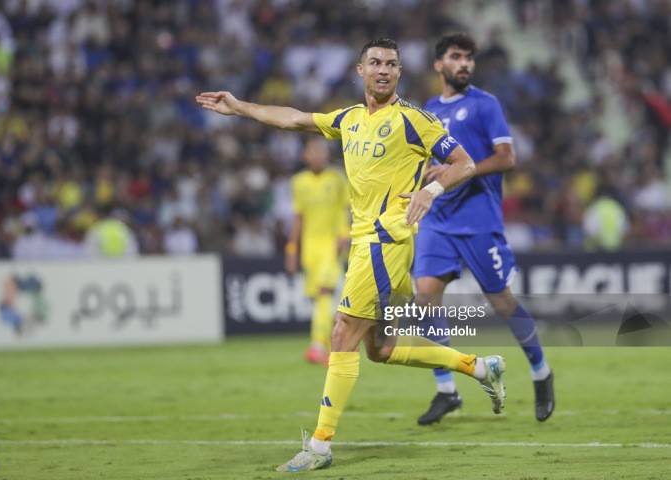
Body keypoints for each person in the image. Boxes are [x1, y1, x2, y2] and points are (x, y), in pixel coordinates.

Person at [196, 38, 506, 473]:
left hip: (385, 242)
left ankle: (320, 445)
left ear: (399, 72)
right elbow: (294, 119)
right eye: (375, 63)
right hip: (372, 245)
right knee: (379, 349)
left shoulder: (414, 119)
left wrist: (430, 190)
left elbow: (465, 162)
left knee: (341, 333)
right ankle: (479, 367)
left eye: (392, 64)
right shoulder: (348, 118)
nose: (383, 70)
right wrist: (240, 106)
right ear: (360, 70)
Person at [413, 33, 554, 426]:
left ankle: (541, 372)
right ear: (439, 65)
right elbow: (429, 161)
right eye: (456, 57)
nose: (465, 64)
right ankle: (446, 390)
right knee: (425, 299)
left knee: (503, 303)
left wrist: (461, 170)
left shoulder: (485, 104)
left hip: (478, 219)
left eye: (469, 58)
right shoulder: (426, 110)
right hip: (438, 220)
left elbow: (507, 158)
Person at [285, 137, 350, 365]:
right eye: (313, 151)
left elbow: (346, 209)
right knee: (320, 298)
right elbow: (298, 217)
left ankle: (317, 345)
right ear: (305, 157)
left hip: (331, 245)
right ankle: (332, 346)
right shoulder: (298, 182)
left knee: (324, 292)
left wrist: (344, 234)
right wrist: (291, 249)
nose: (318, 155)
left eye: (321, 151)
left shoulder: (337, 178)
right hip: (309, 247)